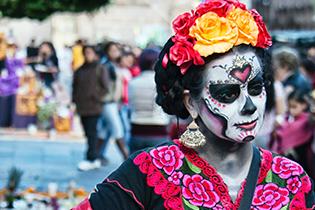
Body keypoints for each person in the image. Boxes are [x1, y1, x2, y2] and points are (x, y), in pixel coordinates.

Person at [73, 1, 315, 209]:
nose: (249, 105)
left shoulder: (290, 178)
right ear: (191, 103)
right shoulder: (151, 170)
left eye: (255, 88)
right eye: (228, 94)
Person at [72, 45, 109, 171]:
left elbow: (105, 87)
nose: (88, 55)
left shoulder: (100, 68)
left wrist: (96, 97)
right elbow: (75, 88)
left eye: (89, 52)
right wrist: (75, 101)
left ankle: (91, 157)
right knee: (88, 133)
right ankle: (93, 156)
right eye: (86, 52)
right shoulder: (80, 70)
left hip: (94, 106)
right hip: (82, 106)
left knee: (92, 132)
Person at [128, 48, 171, 154]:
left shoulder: (133, 83)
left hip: (137, 129)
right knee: (159, 168)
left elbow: (130, 105)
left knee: (136, 168)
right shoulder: (161, 83)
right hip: (158, 129)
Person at [96, 42, 129, 163]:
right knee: (117, 130)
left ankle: (95, 155)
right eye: (112, 50)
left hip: (113, 103)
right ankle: (127, 157)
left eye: (117, 50)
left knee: (103, 131)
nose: (115, 53)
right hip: (108, 102)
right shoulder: (106, 66)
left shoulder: (114, 65)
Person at [270, 90, 315, 177]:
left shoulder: (307, 120)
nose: (291, 110)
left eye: (294, 107)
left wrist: (280, 130)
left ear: (304, 105)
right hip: (288, 158)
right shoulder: (286, 118)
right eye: (289, 106)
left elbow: (287, 132)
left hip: (302, 157)